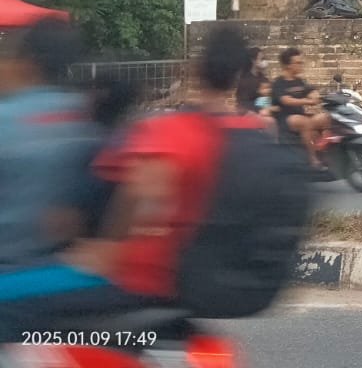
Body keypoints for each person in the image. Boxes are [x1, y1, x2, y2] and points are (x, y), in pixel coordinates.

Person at [0, 25, 266, 341]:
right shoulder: (88, 117)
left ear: (27, 62)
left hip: (36, 275)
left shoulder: (11, 119)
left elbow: (139, 191)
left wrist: (108, 243)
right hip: (103, 274)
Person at [0, 18, 98, 271]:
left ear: (27, 63)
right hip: (64, 265)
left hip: (11, 265)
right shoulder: (84, 116)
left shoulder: (6, 118)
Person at [271, 47, 330, 169]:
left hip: (302, 117)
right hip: (285, 119)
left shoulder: (299, 81)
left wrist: (315, 95)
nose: (301, 65)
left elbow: (310, 91)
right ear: (288, 65)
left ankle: (324, 152)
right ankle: (312, 159)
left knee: (326, 118)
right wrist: (307, 101)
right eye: (298, 63)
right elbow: (286, 100)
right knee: (304, 122)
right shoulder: (278, 83)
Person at [235, 46, 270, 117]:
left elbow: (266, 101)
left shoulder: (264, 79)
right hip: (249, 116)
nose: (264, 62)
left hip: (262, 115)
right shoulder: (244, 80)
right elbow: (242, 104)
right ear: (253, 60)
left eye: (264, 59)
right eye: (262, 59)